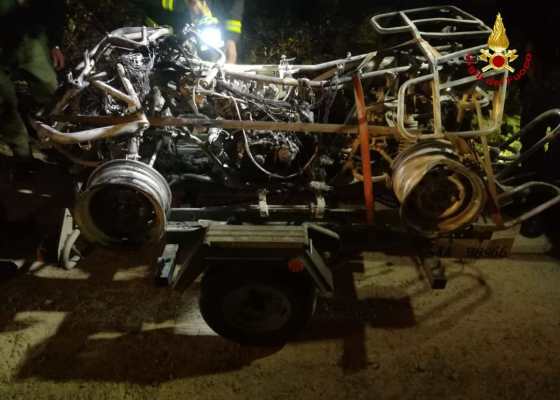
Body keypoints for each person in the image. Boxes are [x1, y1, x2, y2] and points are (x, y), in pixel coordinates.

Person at [0, 0, 66, 160]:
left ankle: (59, 145)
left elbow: (56, 7)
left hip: (31, 37)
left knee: (53, 93)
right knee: (4, 101)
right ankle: (22, 154)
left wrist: (55, 44)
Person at [134, 0, 244, 63]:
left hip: (202, 32)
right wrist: (184, 3)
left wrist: (231, 39)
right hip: (160, 32)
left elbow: (234, 7)